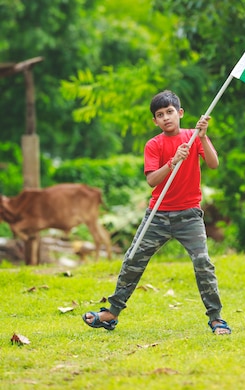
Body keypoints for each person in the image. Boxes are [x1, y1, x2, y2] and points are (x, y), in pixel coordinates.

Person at [82, 90, 231, 335]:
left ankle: (216, 318)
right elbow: (152, 180)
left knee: (203, 262)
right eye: (160, 115)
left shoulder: (193, 138)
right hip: (158, 215)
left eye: (170, 112)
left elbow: (214, 163)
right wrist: (173, 162)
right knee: (132, 259)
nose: (166, 118)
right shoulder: (153, 144)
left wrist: (203, 137)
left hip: (189, 215)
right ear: (155, 121)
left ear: (180, 113)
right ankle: (111, 313)